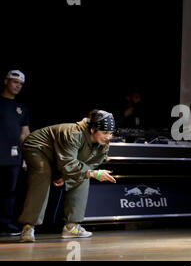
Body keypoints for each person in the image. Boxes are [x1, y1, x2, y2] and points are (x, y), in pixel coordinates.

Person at [18, 110, 117, 242]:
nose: (108, 137)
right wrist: (92, 173)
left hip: (60, 155)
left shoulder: (103, 143)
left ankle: (72, 227)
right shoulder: (74, 133)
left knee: (84, 175)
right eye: (105, 133)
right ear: (93, 129)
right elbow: (68, 162)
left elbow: (90, 164)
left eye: (110, 133)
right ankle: (28, 227)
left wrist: (70, 175)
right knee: (43, 175)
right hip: (38, 147)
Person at [0, 70, 30, 236]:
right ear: (6, 81)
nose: (18, 86)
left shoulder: (21, 108)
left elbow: (24, 134)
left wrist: (26, 155)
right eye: (14, 82)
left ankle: (6, 224)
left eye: (20, 84)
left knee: (9, 192)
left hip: (12, 157)